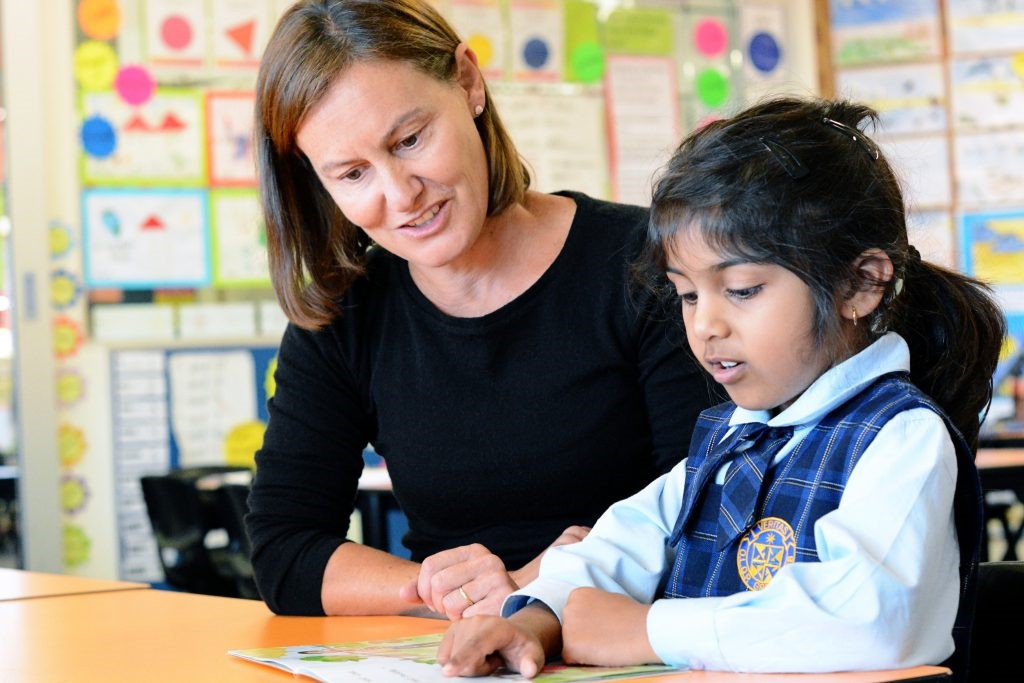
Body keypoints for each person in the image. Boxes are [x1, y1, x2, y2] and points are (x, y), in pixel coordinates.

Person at [437, 97, 1006, 678]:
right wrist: (533, 620)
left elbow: (870, 619)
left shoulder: (901, 439)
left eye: (740, 290)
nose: (704, 325)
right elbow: (618, 548)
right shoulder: (729, 441)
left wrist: (647, 630)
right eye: (687, 294)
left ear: (860, 285)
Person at [246, 0, 717, 618]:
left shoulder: (647, 266)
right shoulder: (345, 315)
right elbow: (284, 549)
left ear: (468, 82)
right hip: (455, 647)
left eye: (410, 140)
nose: (401, 195)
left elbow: (709, 507)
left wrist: (539, 587)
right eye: (353, 174)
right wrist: (441, 591)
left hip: (631, 637)